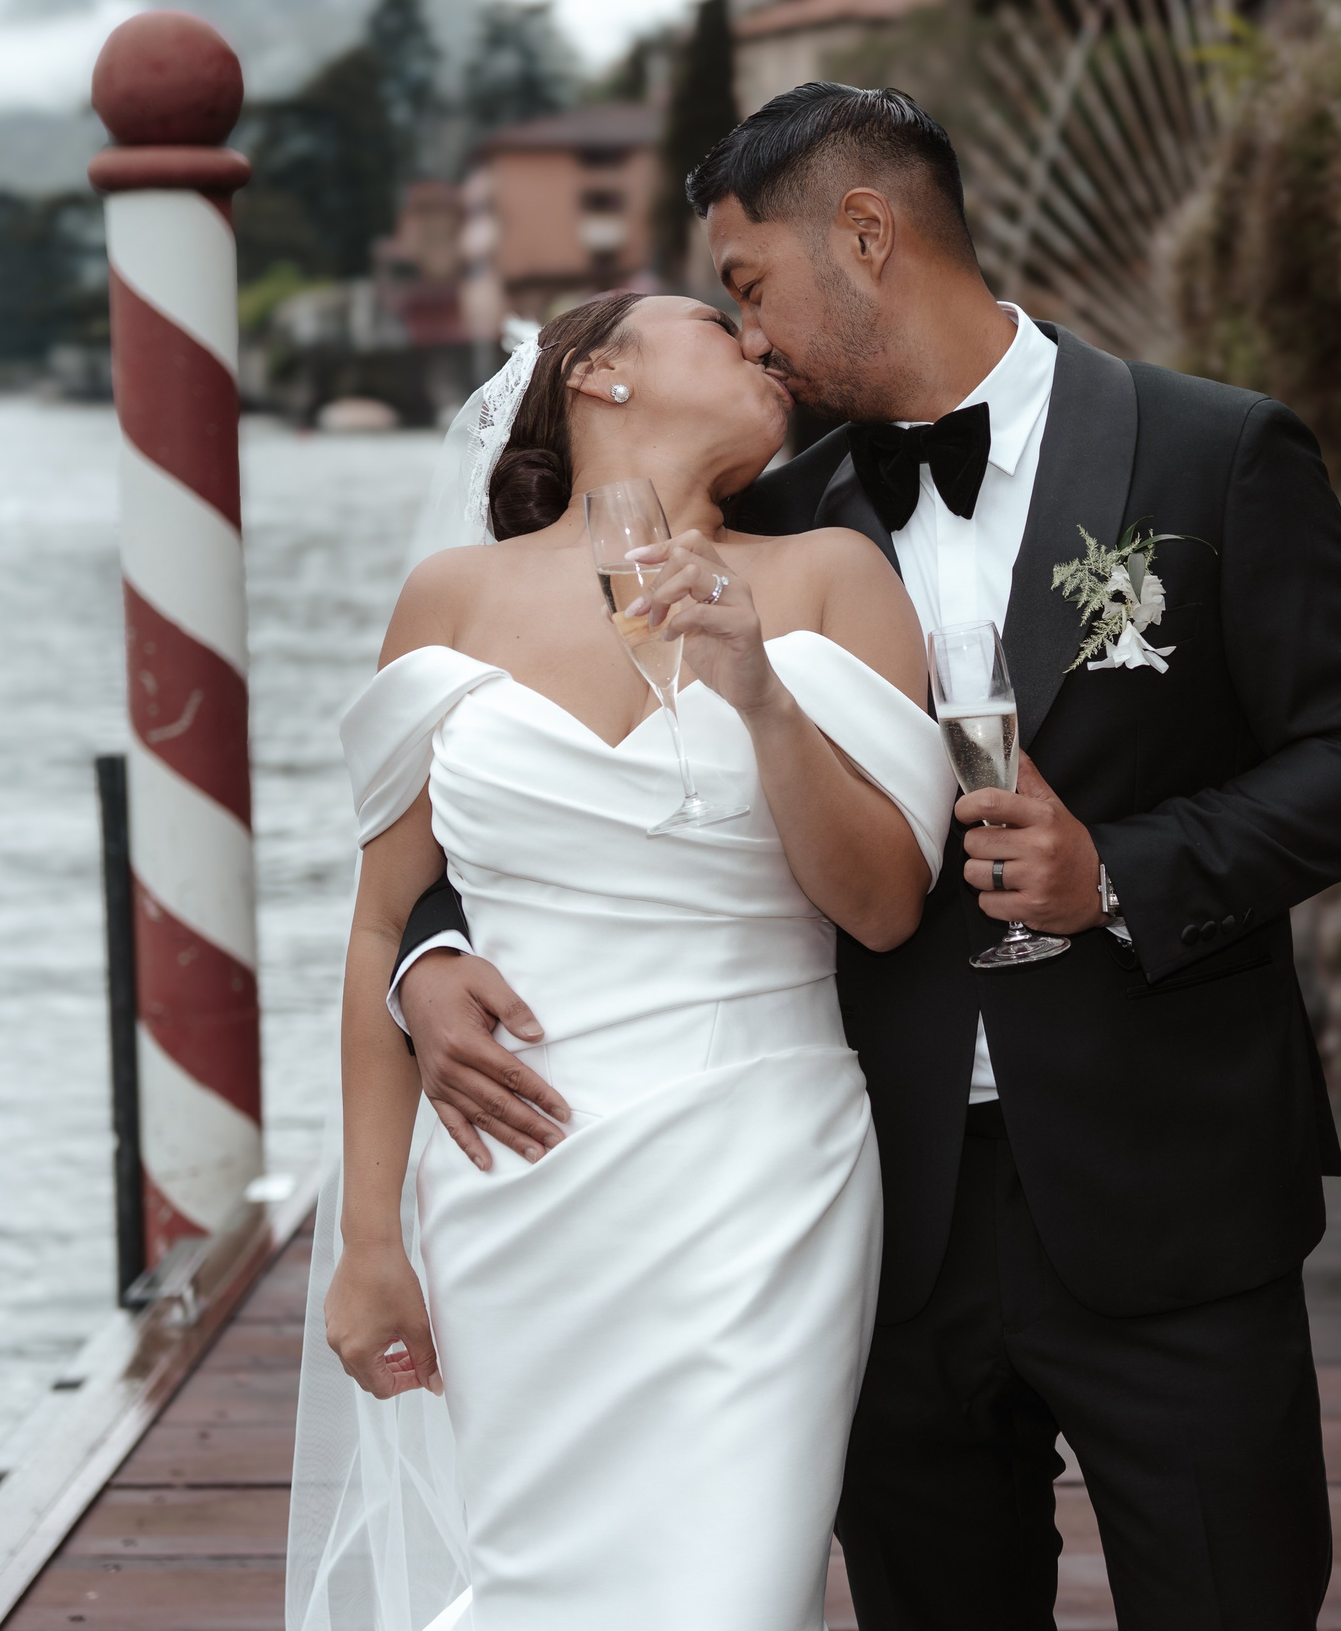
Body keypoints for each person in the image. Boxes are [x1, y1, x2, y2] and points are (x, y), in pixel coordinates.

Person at [390, 85, 1341, 1629]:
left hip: (1170, 1186)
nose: (749, 342)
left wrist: (1128, 871)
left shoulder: (1212, 457)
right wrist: (424, 956)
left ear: (867, 235)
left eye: (751, 287)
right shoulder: (766, 519)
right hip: (862, 1209)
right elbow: (546, 781)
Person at [284, 291, 958, 1630]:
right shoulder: (452, 599)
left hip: (757, 1175)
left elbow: (883, 908)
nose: (765, 344)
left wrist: (760, 693)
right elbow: (384, 923)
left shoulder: (831, 578)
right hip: (510, 1186)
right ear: (597, 373)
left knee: (732, 1597)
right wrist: (369, 1239)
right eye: (720, 325)